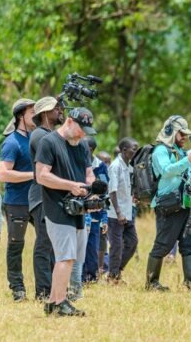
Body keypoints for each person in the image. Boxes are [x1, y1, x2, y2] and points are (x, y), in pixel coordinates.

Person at [35, 107, 96, 316]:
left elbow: (89, 174)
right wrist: (71, 186)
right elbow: (41, 176)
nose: (83, 134)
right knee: (66, 257)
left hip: (79, 209)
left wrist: (92, 189)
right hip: (57, 208)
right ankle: (61, 303)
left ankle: (53, 302)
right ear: (69, 121)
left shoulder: (81, 146)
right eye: (81, 129)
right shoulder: (48, 142)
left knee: (72, 257)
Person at [146, 115, 191, 291]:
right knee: (163, 244)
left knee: (189, 243)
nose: (185, 137)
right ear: (171, 131)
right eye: (181, 133)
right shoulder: (160, 151)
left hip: (184, 204)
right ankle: (151, 282)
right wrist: (189, 159)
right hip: (168, 205)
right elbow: (167, 171)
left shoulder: (180, 151)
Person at [0, 98, 36, 302]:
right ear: (21, 115)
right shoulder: (12, 142)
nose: (36, 116)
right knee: (16, 245)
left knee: (45, 242)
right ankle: (17, 288)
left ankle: (45, 286)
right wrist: (33, 175)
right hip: (16, 201)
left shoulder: (36, 139)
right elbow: (4, 174)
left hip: (37, 201)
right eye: (32, 112)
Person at [28, 96, 63, 301]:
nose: (60, 111)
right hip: (40, 197)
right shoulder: (40, 136)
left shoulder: (48, 134)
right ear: (44, 114)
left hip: (47, 196)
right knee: (43, 244)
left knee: (51, 245)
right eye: (55, 109)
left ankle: (52, 290)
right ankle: (42, 291)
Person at [107, 137, 139, 284]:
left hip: (127, 211)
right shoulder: (115, 166)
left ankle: (116, 270)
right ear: (124, 150)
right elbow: (112, 192)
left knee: (132, 242)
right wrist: (118, 213)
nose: (136, 151)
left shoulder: (129, 167)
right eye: (134, 148)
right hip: (115, 214)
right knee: (117, 245)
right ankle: (113, 277)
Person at [81, 136, 108, 283]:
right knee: (79, 246)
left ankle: (91, 277)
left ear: (90, 150)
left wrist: (104, 218)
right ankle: (79, 277)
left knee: (92, 247)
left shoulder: (101, 167)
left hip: (95, 214)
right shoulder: (77, 162)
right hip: (79, 212)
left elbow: (104, 191)